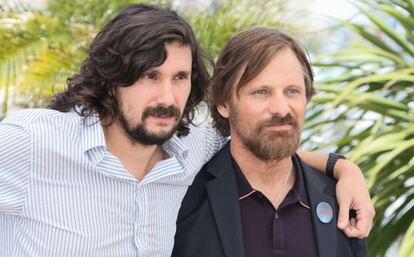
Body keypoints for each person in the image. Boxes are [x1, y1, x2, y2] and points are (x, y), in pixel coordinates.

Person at [0, 4, 372, 257]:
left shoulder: (192, 148)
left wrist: (342, 168)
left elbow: (264, 140)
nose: (167, 97)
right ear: (112, 79)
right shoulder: (33, 142)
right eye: (150, 76)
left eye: (179, 77)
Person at [172, 27, 368, 257]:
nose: (281, 109)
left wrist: (346, 168)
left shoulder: (342, 202)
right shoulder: (184, 198)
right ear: (223, 103)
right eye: (261, 92)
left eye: (292, 91)